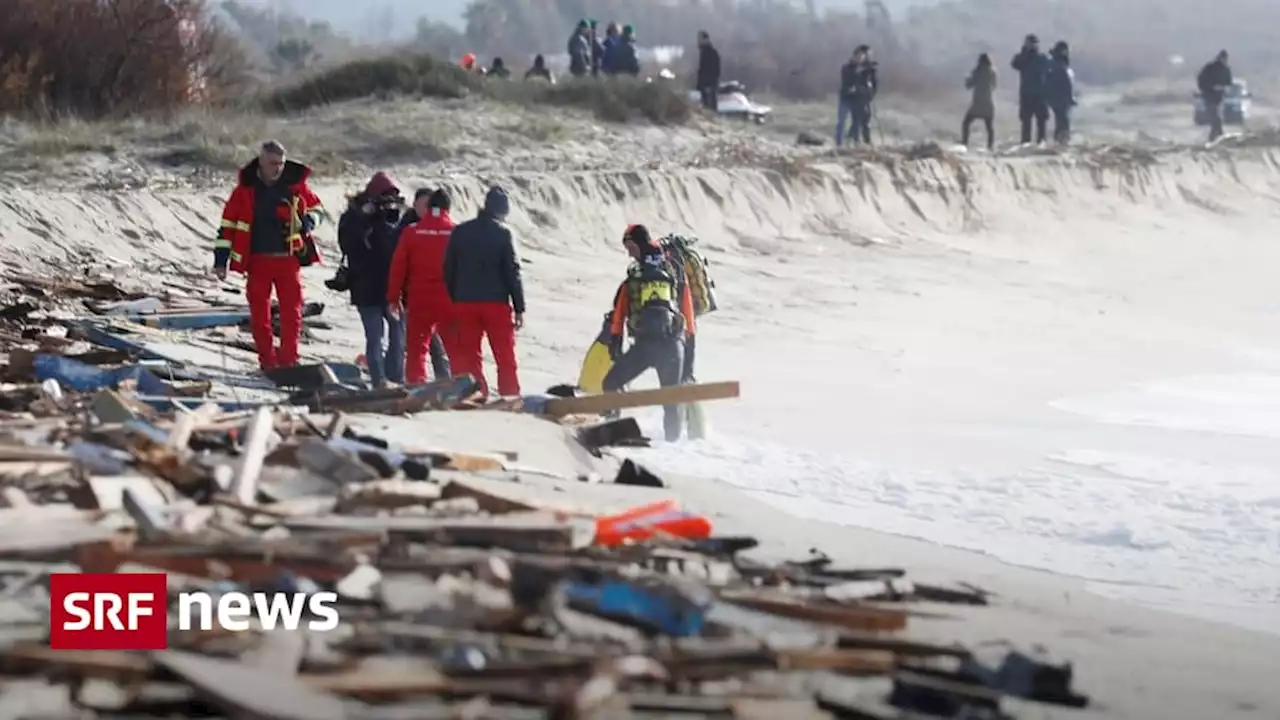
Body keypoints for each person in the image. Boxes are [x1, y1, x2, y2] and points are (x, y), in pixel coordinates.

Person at [212, 140, 323, 371]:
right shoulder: (244, 191)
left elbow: (317, 208)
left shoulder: (293, 185)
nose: (278, 168)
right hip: (258, 262)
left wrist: (309, 221)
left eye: (281, 163)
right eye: (273, 163)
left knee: (292, 314)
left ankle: (289, 361)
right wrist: (220, 262)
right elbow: (227, 228)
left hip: (288, 260)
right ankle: (268, 363)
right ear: (261, 162)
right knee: (260, 316)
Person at [603, 224, 696, 442]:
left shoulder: (636, 274)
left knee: (610, 384)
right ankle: (674, 452)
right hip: (673, 346)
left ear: (638, 243)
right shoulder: (673, 269)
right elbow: (688, 315)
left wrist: (615, 343)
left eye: (630, 246)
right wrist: (690, 354)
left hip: (644, 347)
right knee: (670, 402)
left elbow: (620, 312)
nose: (629, 252)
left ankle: (610, 435)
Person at [444, 186, 525, 398]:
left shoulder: (460, 231)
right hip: (496, 304)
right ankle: (510, 396)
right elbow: (513, 272)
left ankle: (476, 395)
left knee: (470, 355)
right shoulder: (504, 233)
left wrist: (455, 296)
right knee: (504, 356)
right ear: (502, 211)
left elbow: (448, 268)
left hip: (465, 302)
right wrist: (519, 308)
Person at [338, 172, 405, 388]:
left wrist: (390, 217)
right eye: (383, 198)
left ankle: (396, 377)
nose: (387, 204)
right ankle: (379, 381)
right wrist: (362, 217)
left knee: (398, 335)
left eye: (392, 199)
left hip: (391, 288)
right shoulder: (353, 216)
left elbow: (399, 247)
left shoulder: (394, 218)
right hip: (365, 287)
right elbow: (348, 245)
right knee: (375, 337)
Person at [388, 189, 458, 385]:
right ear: (447, 208)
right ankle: (460, 385)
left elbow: (398, 267)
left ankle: (416, 385)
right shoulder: (456, 232)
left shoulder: (411, 231)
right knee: (455, 348)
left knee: (417, 348)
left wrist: (394, 298)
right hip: (448, 300)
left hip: (419, 300)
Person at [1011, 34, 1050, 144]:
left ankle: (1041, 142)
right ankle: (1025, 142)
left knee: (1041, 121)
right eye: (1030, 43)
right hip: (1027, 93)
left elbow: (1048, 69)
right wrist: (1025, 52)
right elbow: (1014, 63)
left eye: (1034, 43)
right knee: (1026, 121)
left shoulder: (1041, 58)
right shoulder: (1024, 58)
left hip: (1040, 94)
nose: (1033, 45)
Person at [837, 45, 878, 146]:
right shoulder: (848, 68)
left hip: (863, 98)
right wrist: (853, 88)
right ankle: (842, 142)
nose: (860, 58)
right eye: (858, 56)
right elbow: (846, 82)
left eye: (862, 56)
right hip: (848, 97)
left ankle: (864, 141)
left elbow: (874, 84)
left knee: (864, 120)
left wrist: (870, 94)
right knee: (844, 121)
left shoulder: (869, 69)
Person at [962, 53, 997, 150]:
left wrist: (967, 79)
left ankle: (964, 143)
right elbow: (994, 86)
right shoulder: (992, 72)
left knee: (966, 123)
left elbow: (969, 85)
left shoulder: (977, 71)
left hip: (977, 102)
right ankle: (990, 146)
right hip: (988, 102)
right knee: (989, 126)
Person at [1197, 50, 1233, 142]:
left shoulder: (1226, 69)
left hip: (1219, 97)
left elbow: (1228, 82)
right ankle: (1219, 134)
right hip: (1208, 95)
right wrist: (1211, 87)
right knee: (1215, 116)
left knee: (1216, 116)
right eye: (1224, 59)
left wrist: (1223, 88)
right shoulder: (1210, 68)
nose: (1226, 60)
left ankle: (1214, 137)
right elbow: (1201, 79)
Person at [1045, 41, 1076, 145]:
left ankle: (1061, 140)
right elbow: (1062, 83)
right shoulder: (1056, 64)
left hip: (1062, 98)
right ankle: (1061, 141)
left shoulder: (1060, 63)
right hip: (1059, 98)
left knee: (1062, 120)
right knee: (1062, 121)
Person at [696, 31, 722, 112]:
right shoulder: (704, 52)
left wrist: (709, 83)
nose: (698, 41)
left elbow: (715, 70)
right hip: (705, 85)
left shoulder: (710, 53)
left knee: (709, 107)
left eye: (700, 39)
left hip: (709, 85)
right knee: (706, 106)